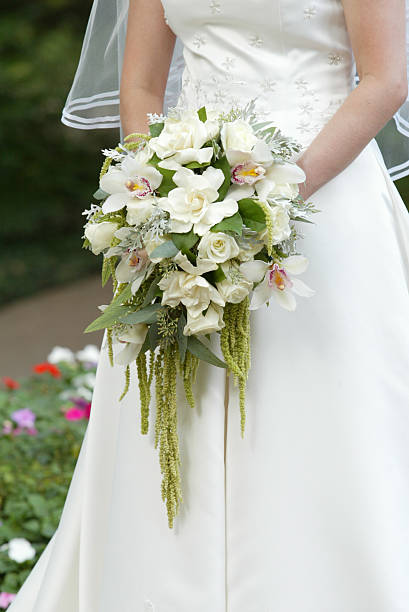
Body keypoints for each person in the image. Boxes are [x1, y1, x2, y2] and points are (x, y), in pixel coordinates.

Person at [8, 0, 409, 610]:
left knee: (317, 406)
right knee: (179, 403)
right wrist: (162, 196)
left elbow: (384, 80)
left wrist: (278, 196)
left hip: (325, 204)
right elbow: (141, 82)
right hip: (184, 207)